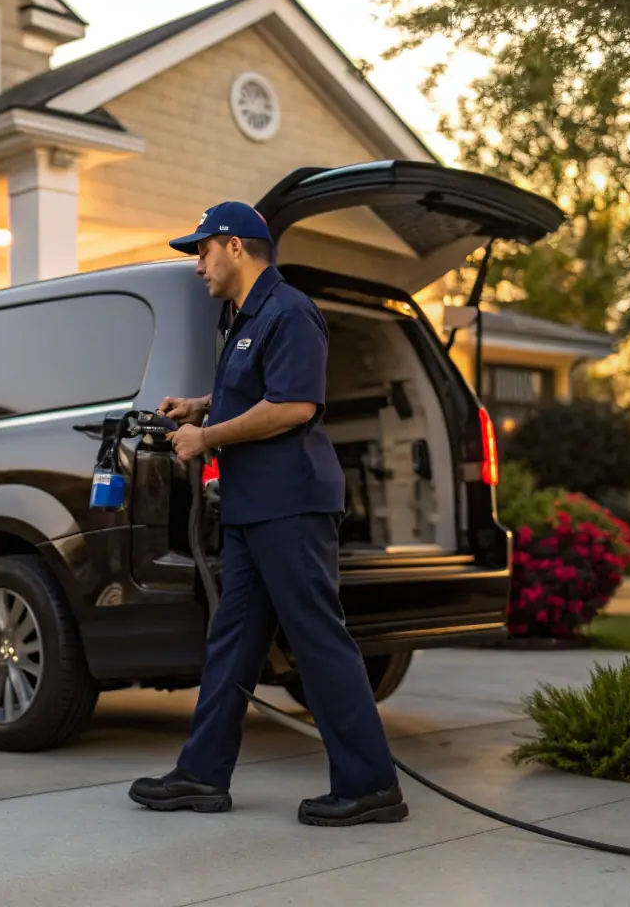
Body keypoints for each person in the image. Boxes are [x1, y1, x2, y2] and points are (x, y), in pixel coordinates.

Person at [127, 200, 407, 827]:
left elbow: (294, 406)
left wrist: (209, 437)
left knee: (317, 639)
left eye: (201, 250)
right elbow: (255, 392)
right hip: (255, 510)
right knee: (231, 642)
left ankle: (370, 785)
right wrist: (201, 406)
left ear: (234, 245)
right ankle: (202, 774)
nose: (197, 264)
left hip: (291, 505)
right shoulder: (244, 317)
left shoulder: (290, 311)